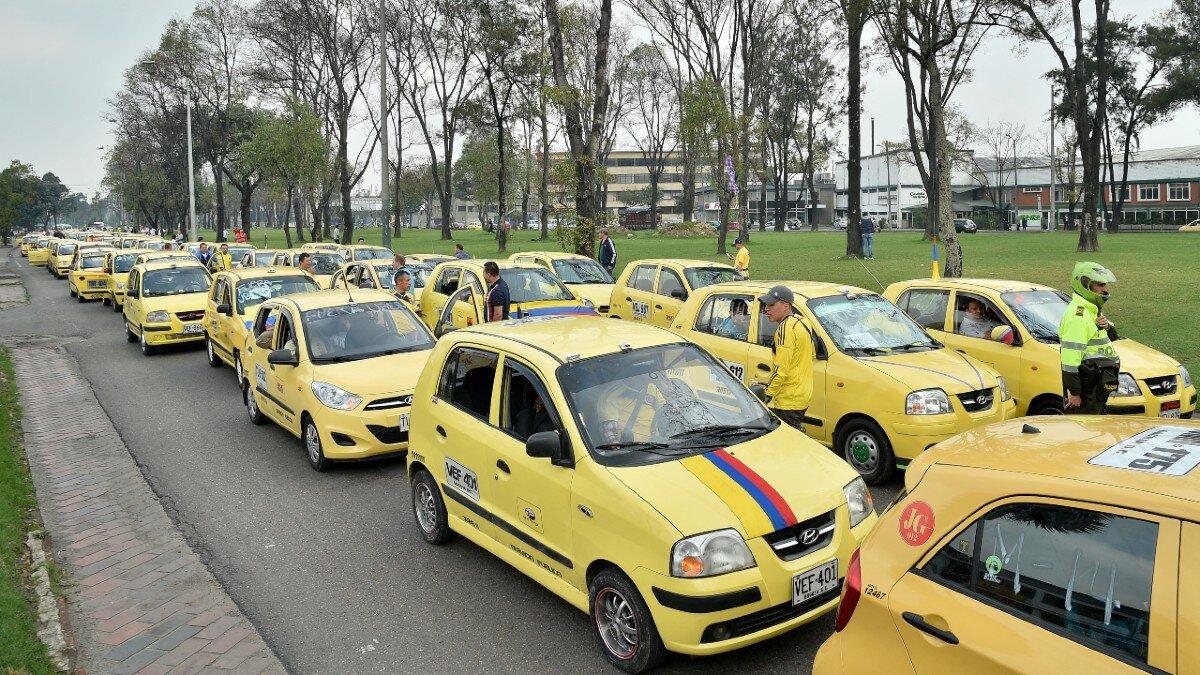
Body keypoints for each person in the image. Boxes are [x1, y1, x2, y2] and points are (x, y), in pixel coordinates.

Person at [1059, 262, 1120, 414]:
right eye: (1099, 285)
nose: (1104, 290)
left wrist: (1107, 327)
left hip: (1097, 385)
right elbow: (1070, 359)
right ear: (1085, 284)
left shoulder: (1092, 310)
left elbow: (1113, 337)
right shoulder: (1079, 316)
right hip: (1087, 390)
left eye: (1105, 285)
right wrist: (1075, 393)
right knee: (1089, 431)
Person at [752, 285, 813, 432]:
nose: (766, 309)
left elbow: (781, 370)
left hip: (788, 399)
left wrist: (766, 395)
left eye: (771, 305)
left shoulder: (785, 329)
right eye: (766, 304)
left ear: (786, 306)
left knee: (786, 444)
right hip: (802, 394)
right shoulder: (802, 322)